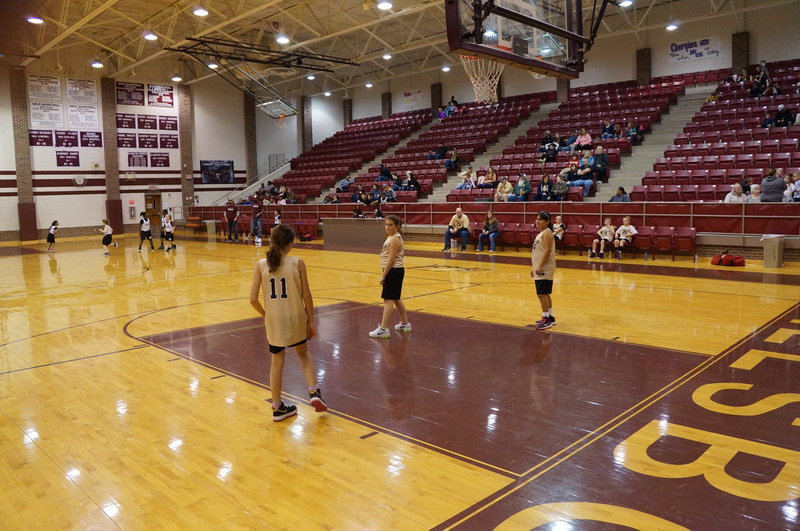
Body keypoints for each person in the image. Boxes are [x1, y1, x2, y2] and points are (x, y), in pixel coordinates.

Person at [249, 224, 327, 421]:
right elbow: (307, 295)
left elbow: (252, 299)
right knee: (304, 355)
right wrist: (311, 320)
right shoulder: (297, 262)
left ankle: (277, 407)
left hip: (274, 320)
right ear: (290, 243)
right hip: (296, 316)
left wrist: (265, 314)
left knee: (276, 363)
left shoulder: (260, 264)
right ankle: (314, 392)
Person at [368, 215, 411, 338]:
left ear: (397, 226)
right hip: (395, 271)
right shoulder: (391, 237)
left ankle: (383, 329)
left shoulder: (395, 239)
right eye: (386, 224)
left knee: (388, 300)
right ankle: (405, 324)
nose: (387, 227)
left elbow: (391, 259)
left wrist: (383, 275)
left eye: (391, 225)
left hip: (393, 271)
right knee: (396, 298)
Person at [531, 211, 556, 330]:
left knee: (541, 293)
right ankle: (550, 316)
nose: (537, 221)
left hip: (545, 267)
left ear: (547, 222)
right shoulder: (542, 233)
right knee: (545, 292)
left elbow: (547, 251)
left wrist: (540, 266)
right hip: (541, 266)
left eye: (540, 219)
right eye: (537, 219)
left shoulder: (547, 233)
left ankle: (546, 318)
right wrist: (535, 267)